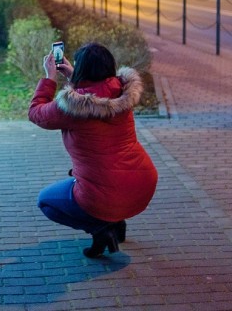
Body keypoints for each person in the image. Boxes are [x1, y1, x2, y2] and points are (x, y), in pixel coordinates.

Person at [28, 42, 158, 258]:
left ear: (84, 70)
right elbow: (97, 94)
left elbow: (36, 113)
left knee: (46, 201)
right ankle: (114, 221)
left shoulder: (71, 108)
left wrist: (50, 78)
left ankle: (101, 228)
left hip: (103, 195)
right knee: (107, 191)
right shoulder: (122, 93)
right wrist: (73, 75)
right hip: (143, 183)